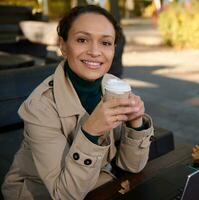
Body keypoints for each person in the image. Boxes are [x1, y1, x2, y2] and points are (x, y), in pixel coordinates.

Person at [1, 5, 154, 200]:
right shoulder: (39, 107)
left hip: (94, 185)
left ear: (114, 49)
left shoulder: (113, 87)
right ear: (63, 45)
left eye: (106, 43)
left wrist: (136, 123)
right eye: (82, 40)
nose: (95, 51)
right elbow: (63, 195)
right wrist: (90, 132)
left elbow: (132, 166)